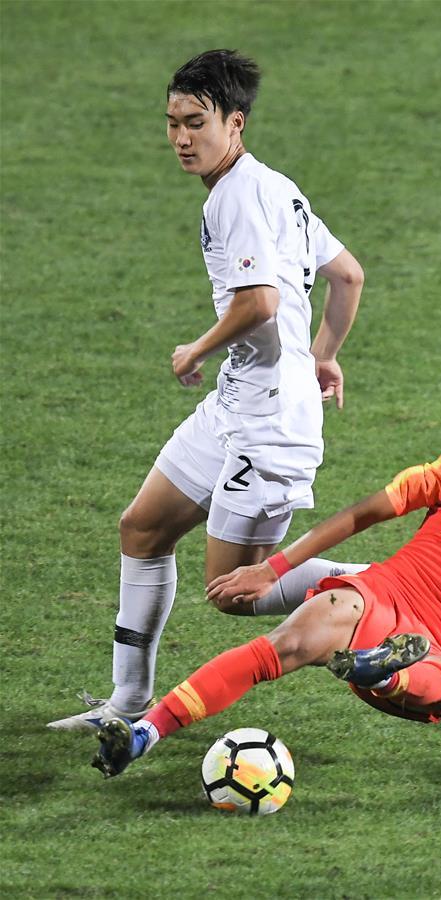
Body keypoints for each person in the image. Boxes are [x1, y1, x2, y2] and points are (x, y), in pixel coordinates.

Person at [48, 49, 364, 732]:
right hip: (237, 402)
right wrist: (323, 356)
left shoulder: (237, 197)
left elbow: (259, 302)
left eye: (197, 123)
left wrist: (196, 347)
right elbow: (348, 275)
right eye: (173, 123)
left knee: (232, 591)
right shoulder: (276, 186)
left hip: (269, 423)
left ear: (235, 122)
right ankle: (127, 703)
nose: (181, 138)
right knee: (142, 529)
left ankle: (385, 586)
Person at [91, 385, 441, 776]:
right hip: (383, 595)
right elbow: (361, 514)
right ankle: (142, 735)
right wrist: (272, 568)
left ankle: (382, 671)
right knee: (282, 645)